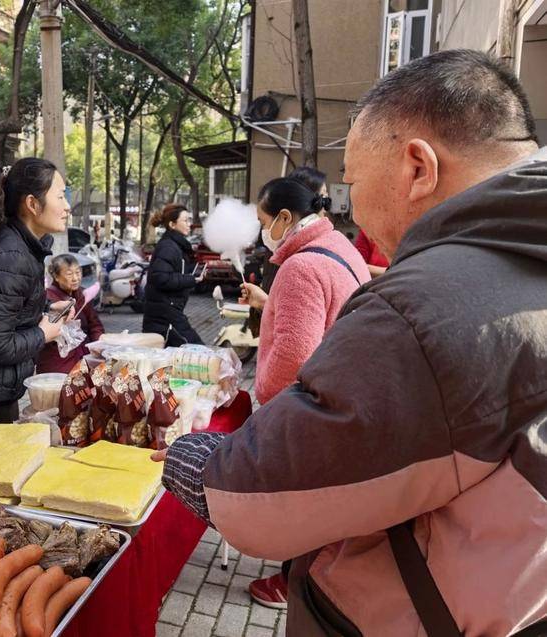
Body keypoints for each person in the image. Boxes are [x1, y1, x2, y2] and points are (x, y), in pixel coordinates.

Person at [155, 49, 547, 636]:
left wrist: (192, 457)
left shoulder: (423, 308)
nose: (354, 209)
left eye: (356, 182)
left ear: (418, 166)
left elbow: (263, 488)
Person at [239, 177, 370, 608]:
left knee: (304, 503)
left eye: (263, 221)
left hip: (308, 406)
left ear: (283, 217)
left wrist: (263, 395)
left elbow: (294, 356)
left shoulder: (301, 267)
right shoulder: (341, 248)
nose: (262, 231)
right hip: (343, 394)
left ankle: (295, 582)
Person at [0, 159, 72, 437]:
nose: (67, 207)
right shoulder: (9, 257)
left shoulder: (21, 248)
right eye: (60, 196)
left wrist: (48, 307)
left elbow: (5, 310)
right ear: (32, 204)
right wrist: (43, 333)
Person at [142, 203, 205, 346]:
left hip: (169, 312)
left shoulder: (176, 245)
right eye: (185, 220)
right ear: (172, 224)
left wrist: (193, 274)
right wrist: (190, 279)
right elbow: (160, 278)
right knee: (196, 351)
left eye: (189, 220)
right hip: (164, 315)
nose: (189, 224)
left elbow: (174, 272)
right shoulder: (168, 247)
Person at [36, 254, 104, 374]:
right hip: (58, 359)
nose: (75, 278)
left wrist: (98, 342)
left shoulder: (83, 295)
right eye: (69, 274)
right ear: (56, 277)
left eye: (78, 272)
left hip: (84, 354)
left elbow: (94, 324)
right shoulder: (49, 299)